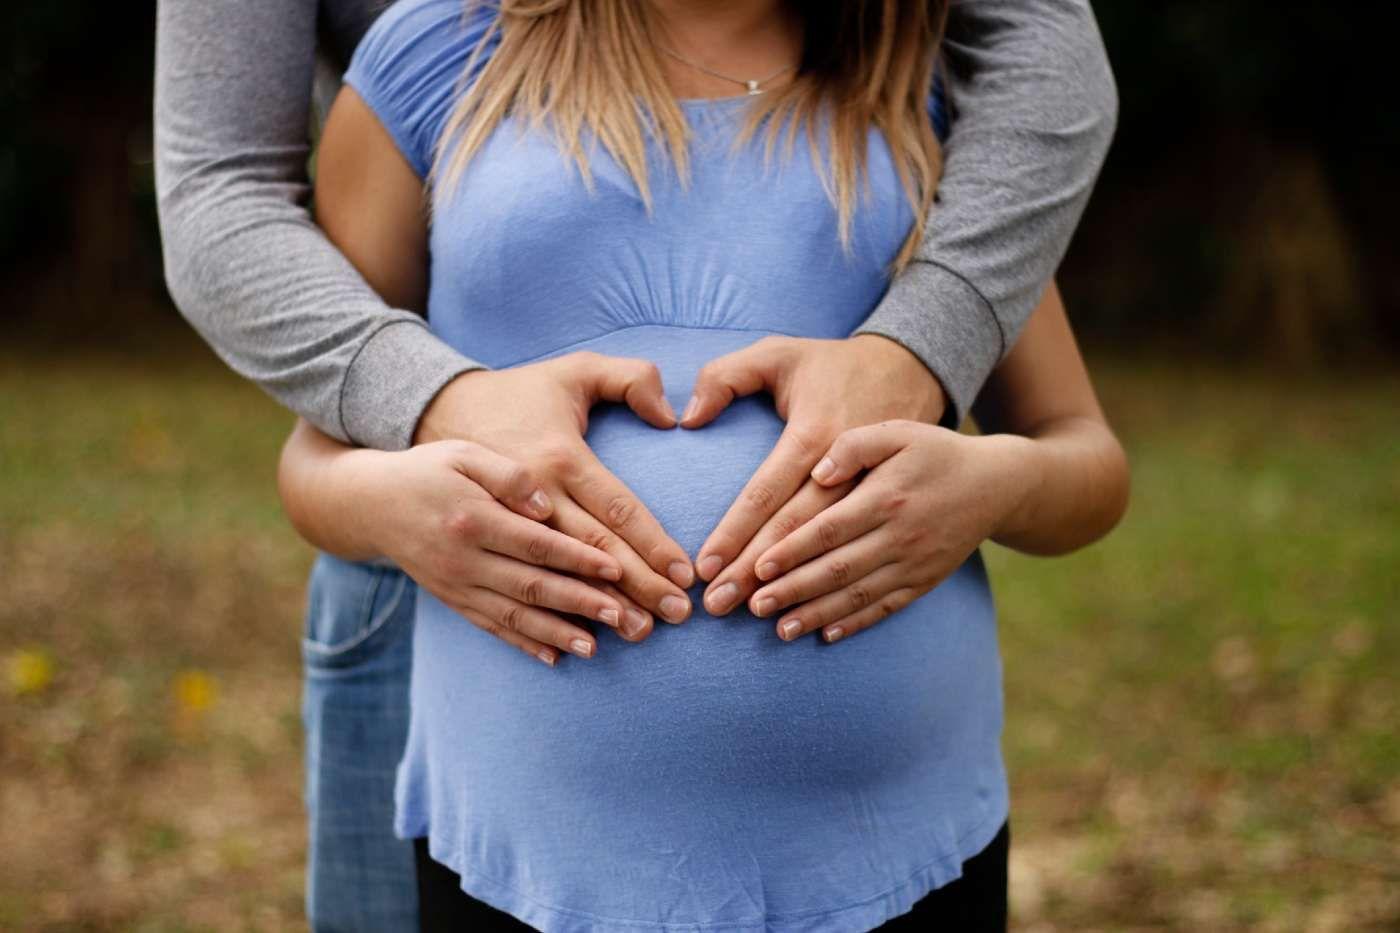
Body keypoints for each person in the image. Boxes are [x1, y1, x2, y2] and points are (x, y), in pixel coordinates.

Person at [154, 0, 1117, 927]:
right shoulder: (431, 67)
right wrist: (392, 505)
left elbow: (1083, 455)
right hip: (520, 861)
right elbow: (315, 453)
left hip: (903, 848)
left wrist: (993, 483)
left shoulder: (928, 112)